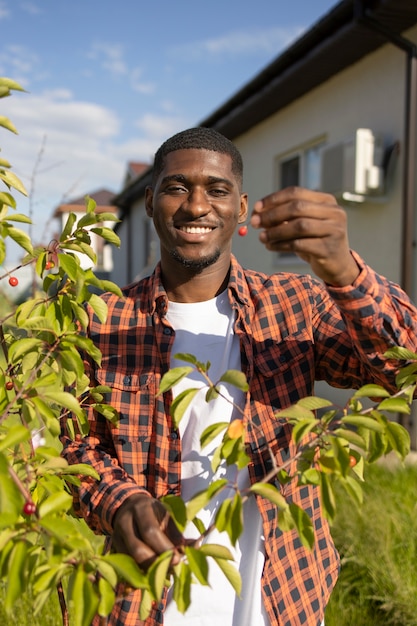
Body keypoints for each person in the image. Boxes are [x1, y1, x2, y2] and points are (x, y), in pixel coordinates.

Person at [61, 127, 417, 626]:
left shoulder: (296, 304)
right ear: (149, 200)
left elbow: (403, 368)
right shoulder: (102, 320)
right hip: (144, 599)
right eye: (177, 187)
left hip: (280, 594)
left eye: (218, 190)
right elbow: (73, 445)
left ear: (242, 207)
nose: (196, 206)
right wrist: (119, 504)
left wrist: (344, 272)